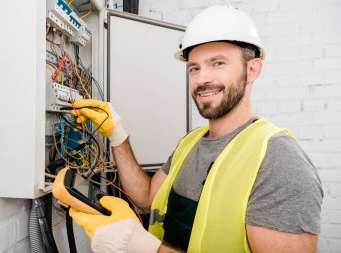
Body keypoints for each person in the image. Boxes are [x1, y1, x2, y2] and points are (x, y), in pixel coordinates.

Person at [68, 5, 323, 253]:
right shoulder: (191, 142)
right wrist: (117, 136)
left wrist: (146, 248)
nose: (202, 79)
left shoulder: (279, 161)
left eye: (218, 63)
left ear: (252, 69)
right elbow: (147, 198)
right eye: (194, 68)